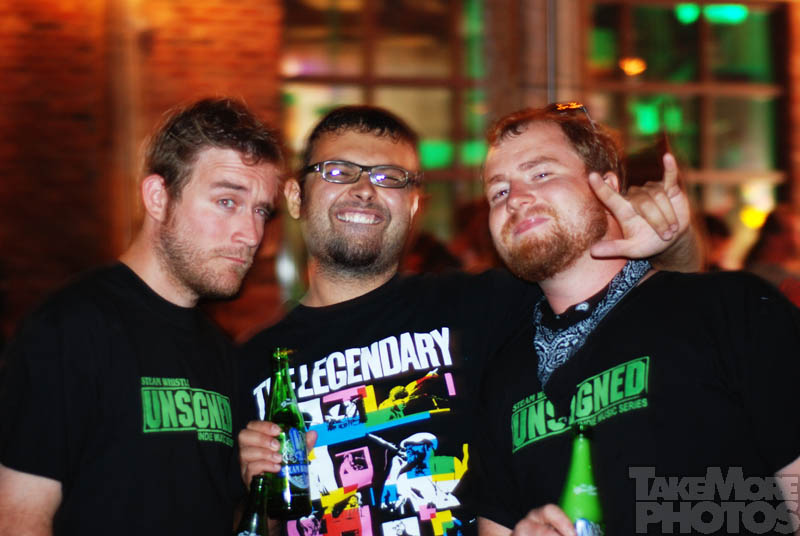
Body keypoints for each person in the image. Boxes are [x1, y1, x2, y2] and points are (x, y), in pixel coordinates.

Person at [237, 105, 696, 536]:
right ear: (295, 197)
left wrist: (670, 238)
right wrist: (260, 497)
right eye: (338, 171)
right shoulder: (248, 362)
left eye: (389, 177)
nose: (364, 190)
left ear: (414, 205)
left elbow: (641, 297)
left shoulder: (483, 303)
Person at [475, 105, 800, 536]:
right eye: (498, 192)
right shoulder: (503, 374)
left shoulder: (731, 309)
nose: (515, 198)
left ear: (607, 187)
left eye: (541, 173)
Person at [0, 98, 283, 535]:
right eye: (227, 201)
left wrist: (256, 481)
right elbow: (18, 516)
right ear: (157, 197)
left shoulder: (220, 350)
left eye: (261, 210)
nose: (251, 234)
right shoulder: (70, 327)